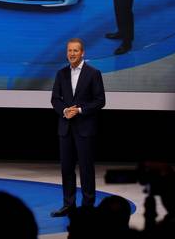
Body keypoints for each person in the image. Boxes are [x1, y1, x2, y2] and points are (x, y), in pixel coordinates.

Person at [50, 38, 105, 217]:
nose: (72, 54)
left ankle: (88, 207)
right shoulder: (61, 73)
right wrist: (65, 110)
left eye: (75, 51)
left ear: (83, 53)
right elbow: (55, 99)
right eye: (69, 51)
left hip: (85, 128)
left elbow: (100, 101)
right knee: (66, 168)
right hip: (65, 128)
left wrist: (80, 110)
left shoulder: (93, 73)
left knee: (86, 169)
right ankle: (69, 204)